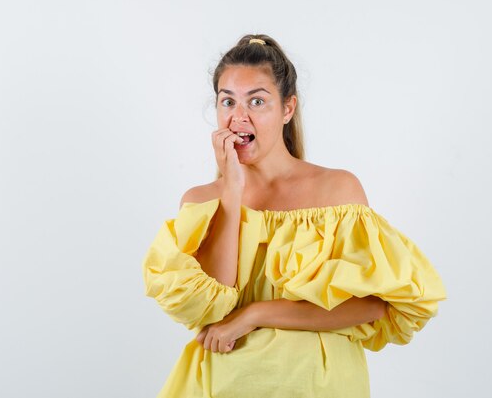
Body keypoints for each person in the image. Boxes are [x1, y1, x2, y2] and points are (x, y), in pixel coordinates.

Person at [142, 34, 447, 398]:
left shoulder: (337, 191)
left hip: (321, 387)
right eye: (228, 101)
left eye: (257, 100)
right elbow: (211, 306)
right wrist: (232, 191)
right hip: (224, 387)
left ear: (287, 109)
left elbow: (373, 305)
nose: (239, 115)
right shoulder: (202, 202)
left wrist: (256, 314)